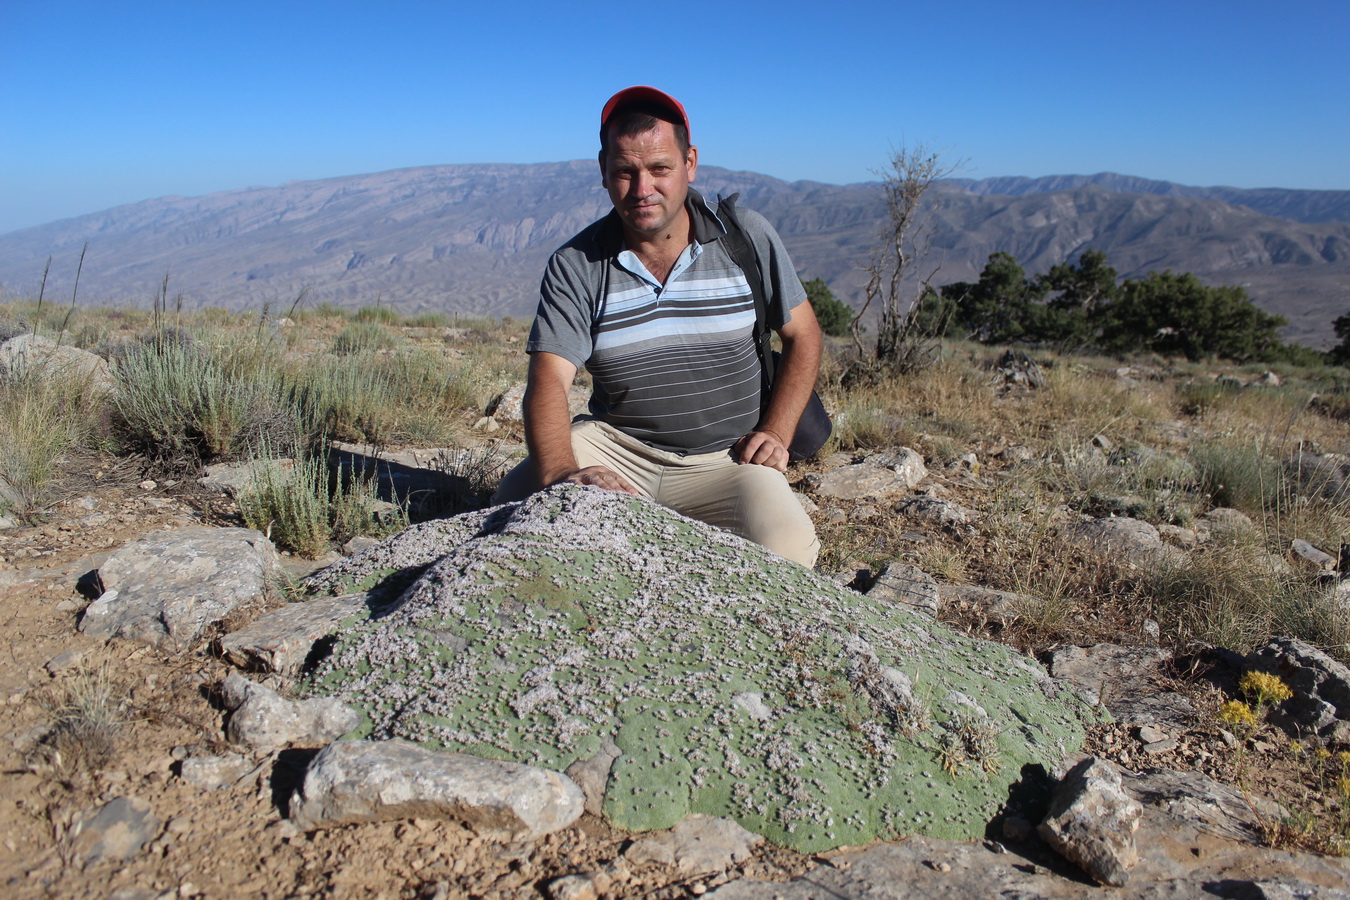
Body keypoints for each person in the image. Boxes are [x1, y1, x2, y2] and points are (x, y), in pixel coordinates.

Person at [493, 86, 821, 567]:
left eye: (659, 169)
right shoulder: (576, 264)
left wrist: (777, 430)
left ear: (690, 163)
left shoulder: (745, 236)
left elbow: (804, 335)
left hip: (728, 460)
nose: (642, 188)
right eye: (625, 171)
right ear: (603, 171)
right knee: (510, 506)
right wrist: (564, 471)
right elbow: (548, 378)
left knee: (789, 553)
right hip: (619, 448)